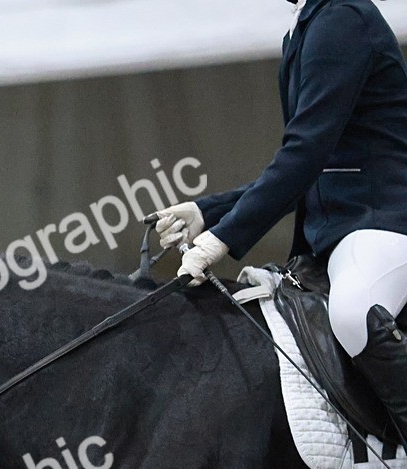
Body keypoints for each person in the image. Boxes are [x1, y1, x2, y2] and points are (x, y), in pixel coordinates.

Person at [156, 0, 407, 439]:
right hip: (338, 235)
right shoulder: (304, 29)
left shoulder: (342, 18)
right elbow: (305, 167)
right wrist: (207, 212)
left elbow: (305, 155)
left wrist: (221, 239)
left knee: (354, 312)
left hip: (384, 222)